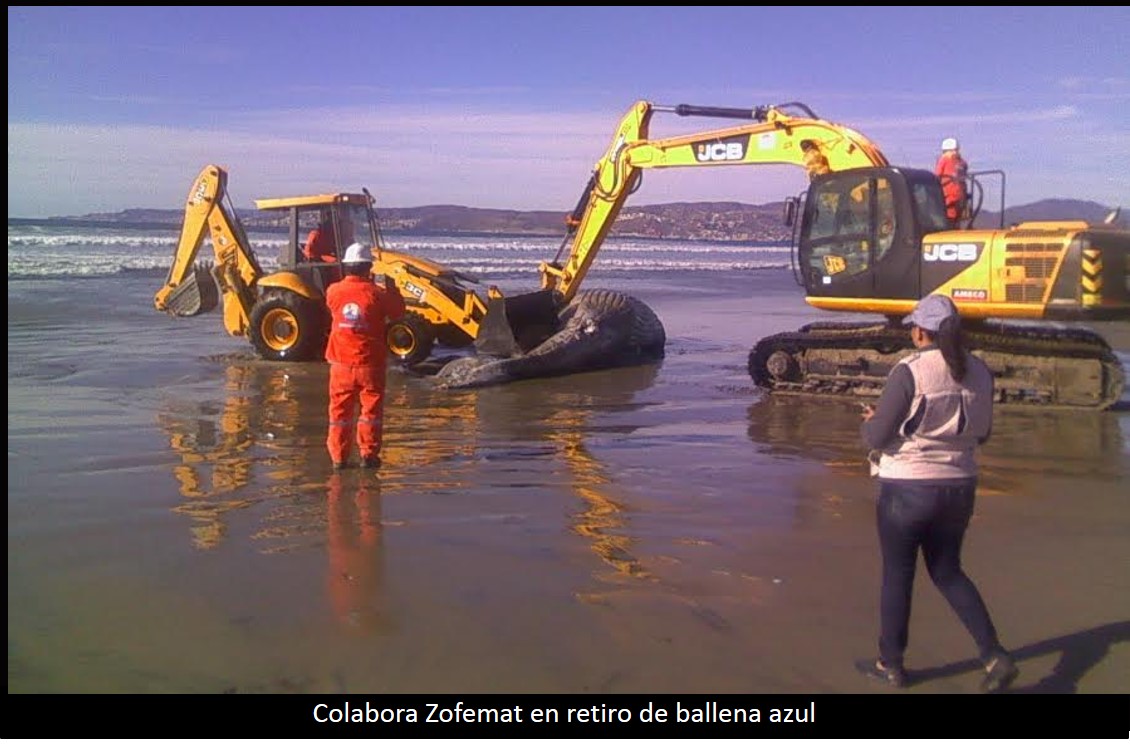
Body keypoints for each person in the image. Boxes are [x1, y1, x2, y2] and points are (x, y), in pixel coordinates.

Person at [856, 294, 1018, 692]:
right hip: (959, 486)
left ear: (921, 331)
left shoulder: (910, 370)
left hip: (907, 487)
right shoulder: (980, 370)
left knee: (898, 575)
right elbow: (983, 431)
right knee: (948, 571)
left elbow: (876, 437)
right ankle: (994, 654)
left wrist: (870, 423)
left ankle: (890, 664)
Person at [324, 242, 406, 471]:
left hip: (340, 363)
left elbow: (333, 308)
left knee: (339, 412)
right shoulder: (377, 294)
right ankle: (368, 454)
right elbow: (398, 312)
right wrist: (392, 288)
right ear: (368, 267)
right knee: (371, 411)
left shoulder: (333, 291)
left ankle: (339, 458)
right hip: (370, 363)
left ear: (347, 267)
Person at [935, 137, 969, 225]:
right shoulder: (962, 163)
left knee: (950, 219)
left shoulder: (944, 160)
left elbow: (937, 175)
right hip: (958, 197)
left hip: (949, 197)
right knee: (955, 220)